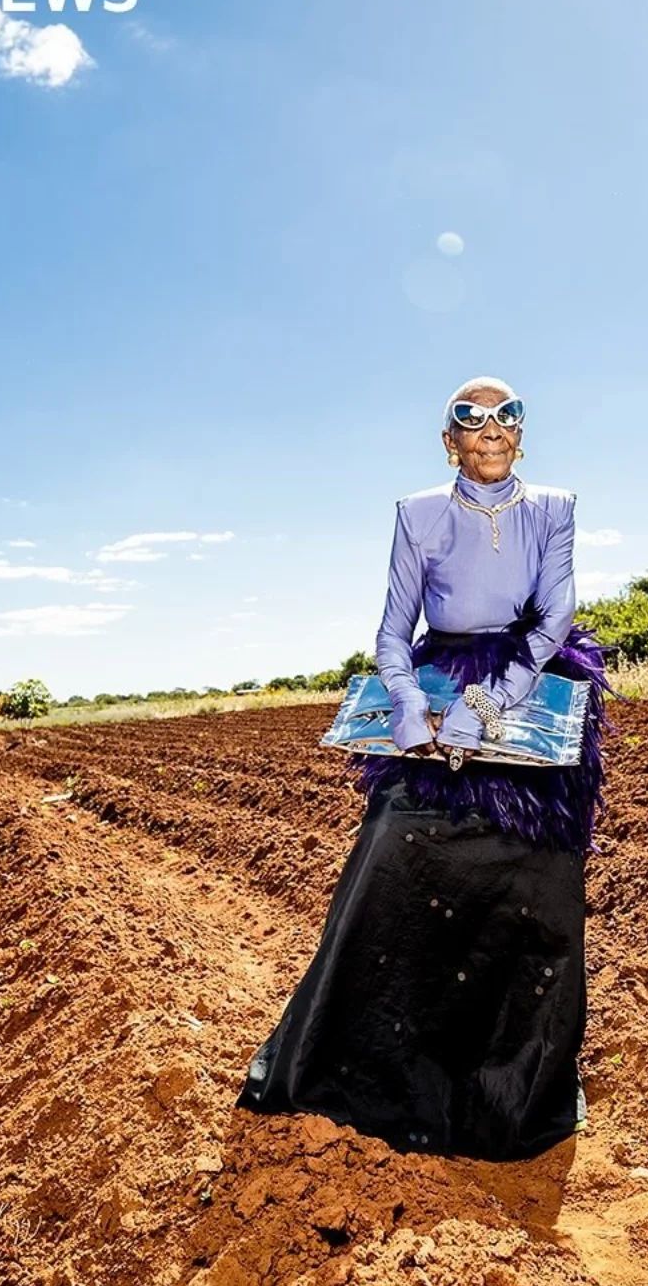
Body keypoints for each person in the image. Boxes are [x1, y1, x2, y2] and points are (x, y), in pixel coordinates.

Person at [235, 376, 619, 1162]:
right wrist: (410, 703)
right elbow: (390, 630)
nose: (491, 429)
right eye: (471, 419)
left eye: (506, 416)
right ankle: (377, 1069)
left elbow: (555, 616)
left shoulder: (555, 508)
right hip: (437, 681)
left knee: (539, 881)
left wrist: (499, 701)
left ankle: (507, 1087)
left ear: (523, 434)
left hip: (527, 683)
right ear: (450, 439)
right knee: (396, 860)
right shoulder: (416, 515)